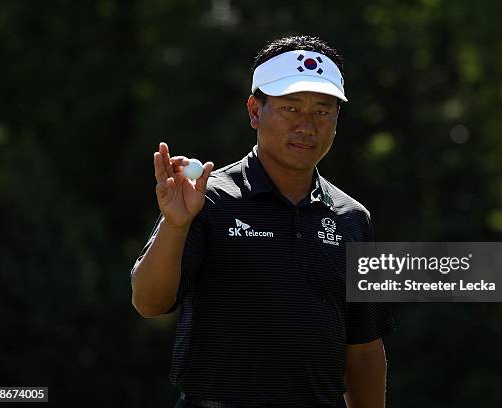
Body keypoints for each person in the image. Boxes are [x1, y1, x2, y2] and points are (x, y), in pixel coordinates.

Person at [131, 35, 395, 408]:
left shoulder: (353, 218)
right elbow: (149, 302)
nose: (307, 125)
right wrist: (175, 224)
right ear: (255, 110)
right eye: (290, 108)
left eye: (322, 110)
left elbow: (364, 346)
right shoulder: (208, 199)